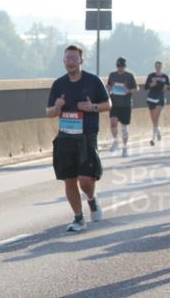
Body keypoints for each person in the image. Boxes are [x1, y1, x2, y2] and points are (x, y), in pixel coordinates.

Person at [45, 44, 110, 232]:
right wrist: (57, 107)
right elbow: (48, 112)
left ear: (81, 60)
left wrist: (93, 108)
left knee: (85, 180)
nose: (70, 62)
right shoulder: (58, 84)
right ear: (63, 61)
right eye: (67, 58)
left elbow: (108, 104)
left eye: (74, 58)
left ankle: (91, 198)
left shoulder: (93, 81)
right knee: (69, 180)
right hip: (65, 138)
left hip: (86, 137)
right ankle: (78, 218)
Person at [106, 57, 137, 157]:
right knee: (113, 123)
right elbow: (109, 86)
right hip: (114, 103)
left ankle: (125, 147)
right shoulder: (112, 75)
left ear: (125, 66)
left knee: (124, 128)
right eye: (119, 66)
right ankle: (115, 141)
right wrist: (109, 89)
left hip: (125, 104)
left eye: (122, 67)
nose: (120, 68)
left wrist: (128, 90)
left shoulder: (129, 76)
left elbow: (136, 88)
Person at [144, 60, 168, 146]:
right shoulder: (151, 76)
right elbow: (146, 87)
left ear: (161, 67)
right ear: (155, 67)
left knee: (155, 117)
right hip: (151, 98)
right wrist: (152, 84)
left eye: (159, 66)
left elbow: (168, 87)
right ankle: (157, 130)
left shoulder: (165, 76)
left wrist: (166, 87)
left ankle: (153, 138)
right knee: (153, 118)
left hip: (160, 98)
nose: (157, 68)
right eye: (156, 66)